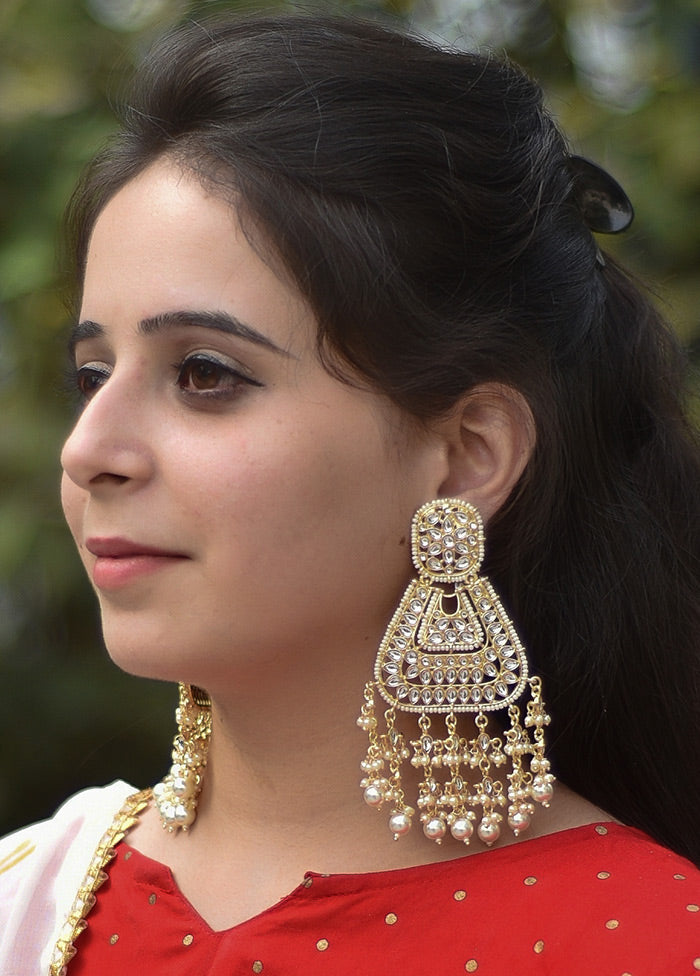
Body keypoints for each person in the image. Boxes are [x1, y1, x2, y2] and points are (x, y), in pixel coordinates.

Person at [1, 12, 699, 975]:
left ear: (463, 456)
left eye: (204, 373)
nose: (90, 451)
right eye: (92, 373)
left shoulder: (647, 941)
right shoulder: (29, 906)